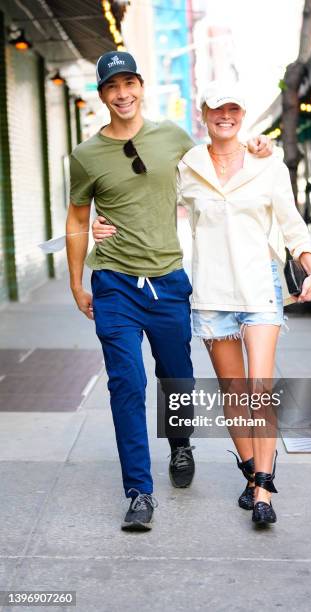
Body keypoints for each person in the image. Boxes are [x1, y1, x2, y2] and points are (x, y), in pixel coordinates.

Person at [93, 81, 311, 527]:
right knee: (235, 394)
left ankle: (264, 490)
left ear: (242, 112)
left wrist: (308, 264)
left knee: (258, 389)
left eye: (234, 108)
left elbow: (292, 224)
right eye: (217, 109)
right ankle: (249, 471)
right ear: (204, 113)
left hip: (259, 287)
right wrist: (103, 223)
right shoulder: (188, 163)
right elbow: (146, 198)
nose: (226, 116)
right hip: (212, 294)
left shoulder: (267, 163)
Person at [66, 52, 273, 532]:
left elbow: (221, 161)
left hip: (168, 281)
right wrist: (77, 283)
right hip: (114, 283)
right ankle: (139, 491)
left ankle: (180, 443)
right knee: (127, 384)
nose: (122, 94)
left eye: (129, 83)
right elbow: (78, 218)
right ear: (102, 94)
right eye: (112, 86)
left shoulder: (175, 139)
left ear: (141, 86)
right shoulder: (85, 155)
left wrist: (259, 148)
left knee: (176, 377)